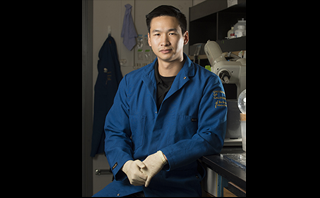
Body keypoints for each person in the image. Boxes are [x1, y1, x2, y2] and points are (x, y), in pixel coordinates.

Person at [92, 5, 227, 197]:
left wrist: (164, 157)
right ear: (149, 39)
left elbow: (211, 136)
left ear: (185, 37)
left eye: (171, 33)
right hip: (132, 184)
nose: (164, 41)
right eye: (157, 34)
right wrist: (126, 164)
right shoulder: (131, 82)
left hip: (179, 185)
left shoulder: (208, 83)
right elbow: (115, 131)